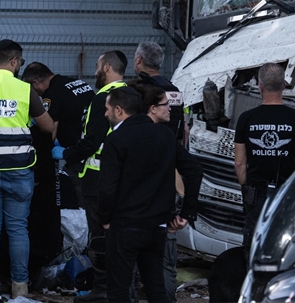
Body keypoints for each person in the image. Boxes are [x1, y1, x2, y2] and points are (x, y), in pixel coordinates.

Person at [0, 40, 54, 301]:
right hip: (20, 169)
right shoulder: (25, 90)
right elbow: (48, 126)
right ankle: (20, 290)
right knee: (18, 229)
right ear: (14, 62)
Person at [98, 87, 203, 303]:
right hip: (157, 226)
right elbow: (193, 170)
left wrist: (105, 219)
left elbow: (108, 187)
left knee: (118, 289)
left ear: (119, 110)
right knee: (155, 286)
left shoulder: (116, 139)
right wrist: (186, 212)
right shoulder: (164, 135)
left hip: (124, 225)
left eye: (107, 109)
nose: (105, 113)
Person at [55, 51, 127, 303]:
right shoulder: (131, 95)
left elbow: (92, 141)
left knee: (100, 237)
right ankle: (120, 288)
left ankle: (102, 290)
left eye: (97, 66)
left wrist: (66, 152)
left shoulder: (103, 99)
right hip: (122, 178)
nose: (95, 71)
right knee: (120, 235)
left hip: (98, 179)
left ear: (106, 67)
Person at [233, 63, 295, 254]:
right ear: (284, 85)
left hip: (256, 194)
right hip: (288, 195)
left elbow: (239, 163)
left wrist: (247, 188)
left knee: (254, 247)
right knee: (285, 246)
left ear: (260, 86)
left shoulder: (246, 119)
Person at [132, 83, 182, 303]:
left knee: (130, 273)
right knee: (162, 273)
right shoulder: (165, 137)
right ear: (152, 108)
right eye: (165, 104)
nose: (169, 108)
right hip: (159, 219)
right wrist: (182, 205)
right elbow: (179, 176)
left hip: (134, 219)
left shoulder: (128, 136)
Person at [22, 61, 94, 202]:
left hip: (78, 156)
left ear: (35, 83)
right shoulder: (78, 83)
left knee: (80, 197)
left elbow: (50, 131)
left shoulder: (52, 94)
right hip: (93, 147)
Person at [133, 42, 187, 145]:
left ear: (139, 60)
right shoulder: (173, 89)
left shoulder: (140, 90)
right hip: (171, 150)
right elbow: (184, 130)